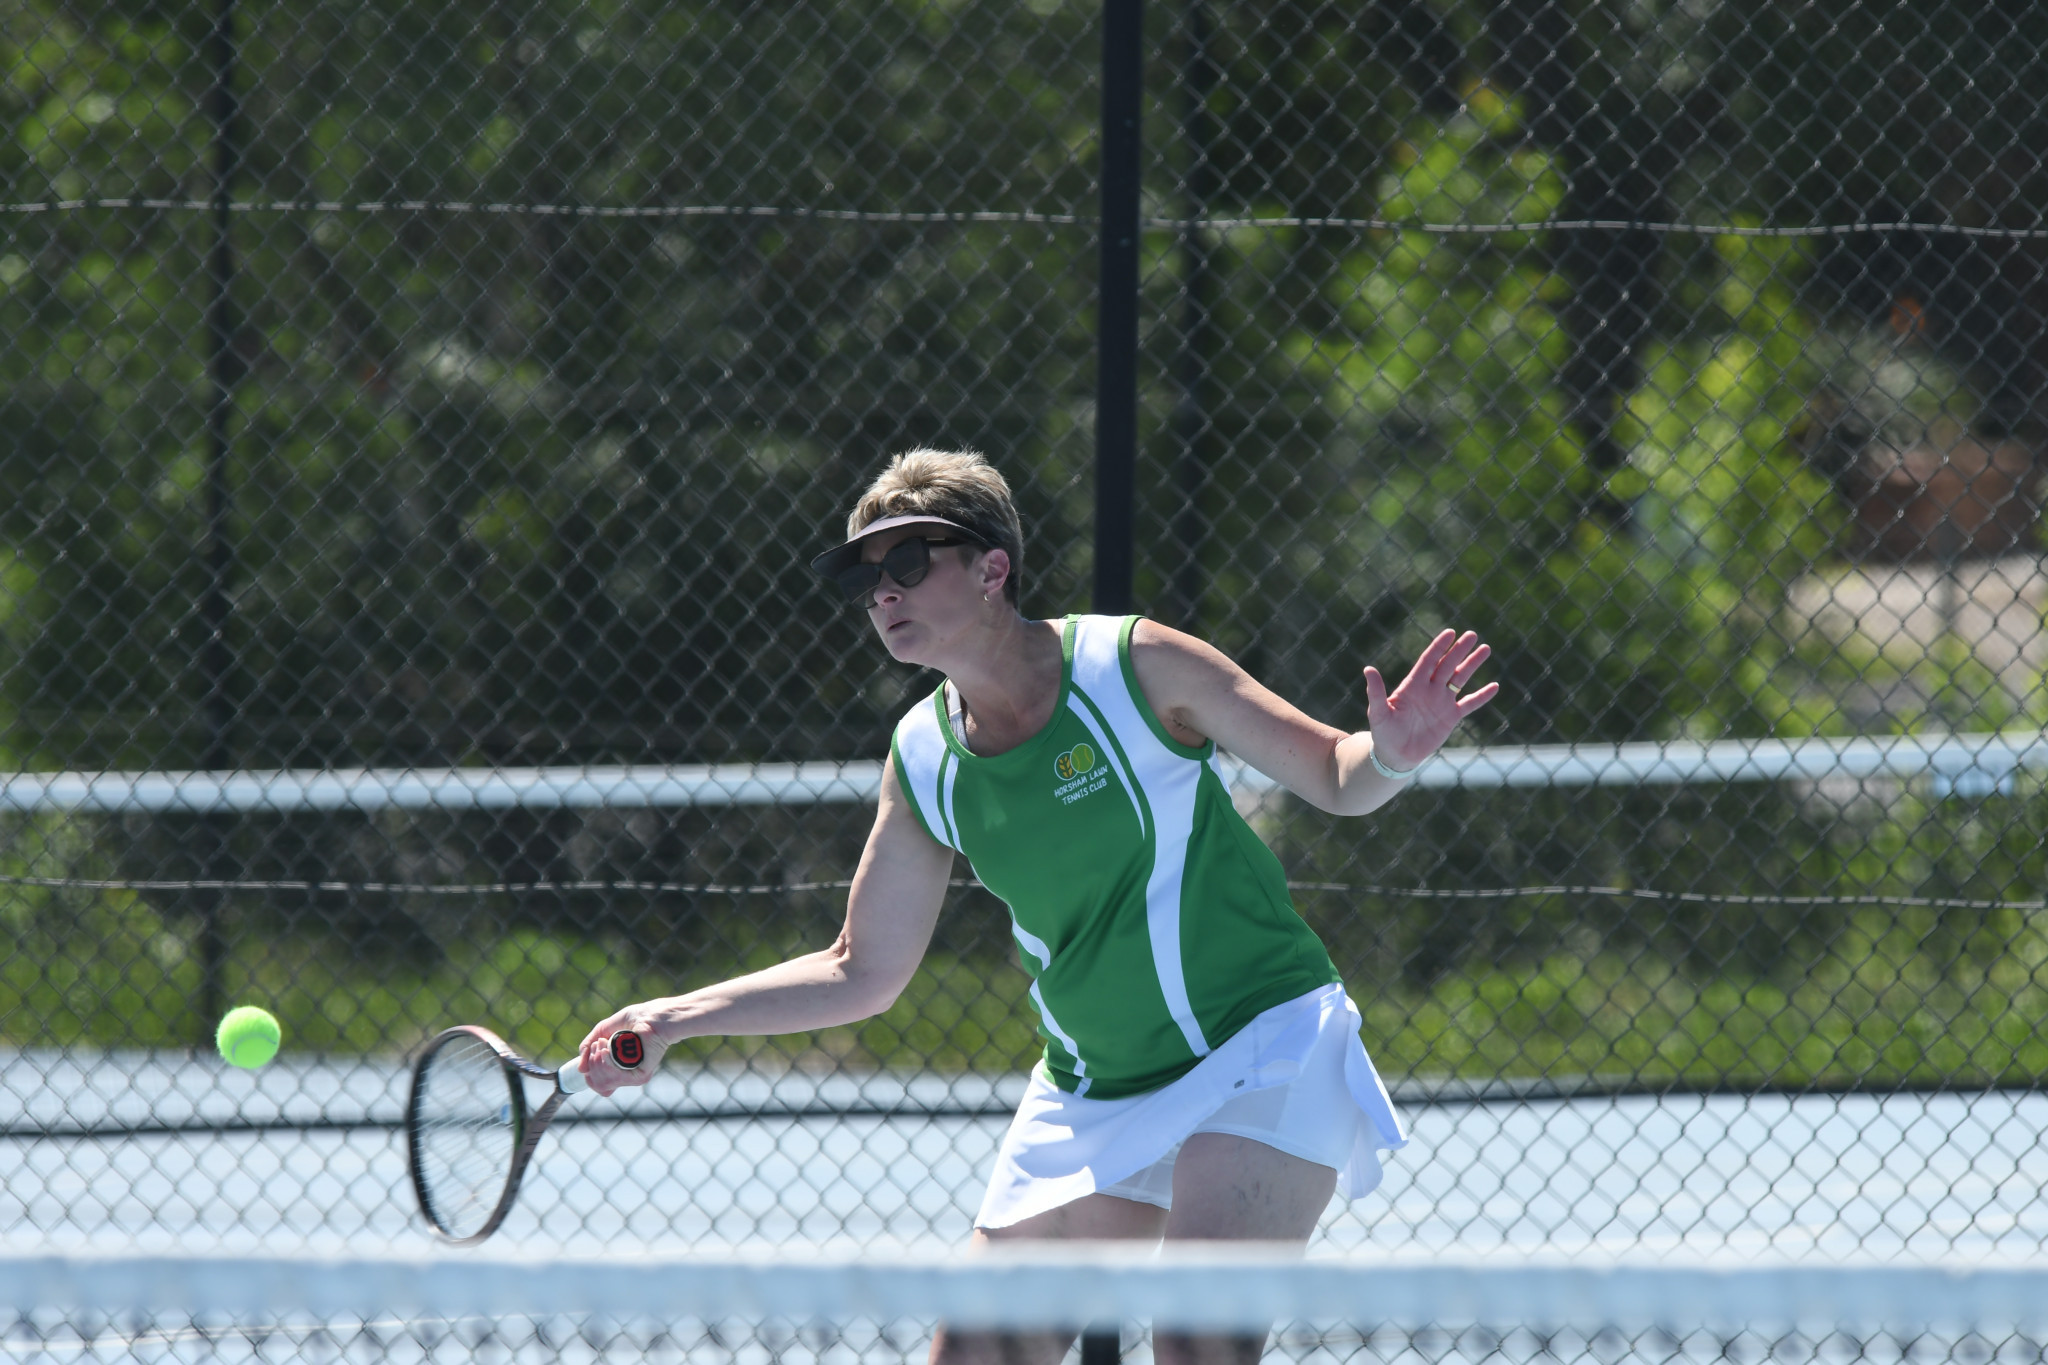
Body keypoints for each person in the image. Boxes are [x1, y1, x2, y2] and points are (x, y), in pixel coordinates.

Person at [577, 449, 1499, 1365]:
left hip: (1259, 1045)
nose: (881, 592)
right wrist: (671, 1017)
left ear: (991, 570)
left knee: (1193, 1344)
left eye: (906, 562)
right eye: (866, 575)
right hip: (1092, 1087)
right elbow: (861, 967)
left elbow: (1338, 777)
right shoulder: (924, 755)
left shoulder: (1136, 665)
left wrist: (1392, 756)